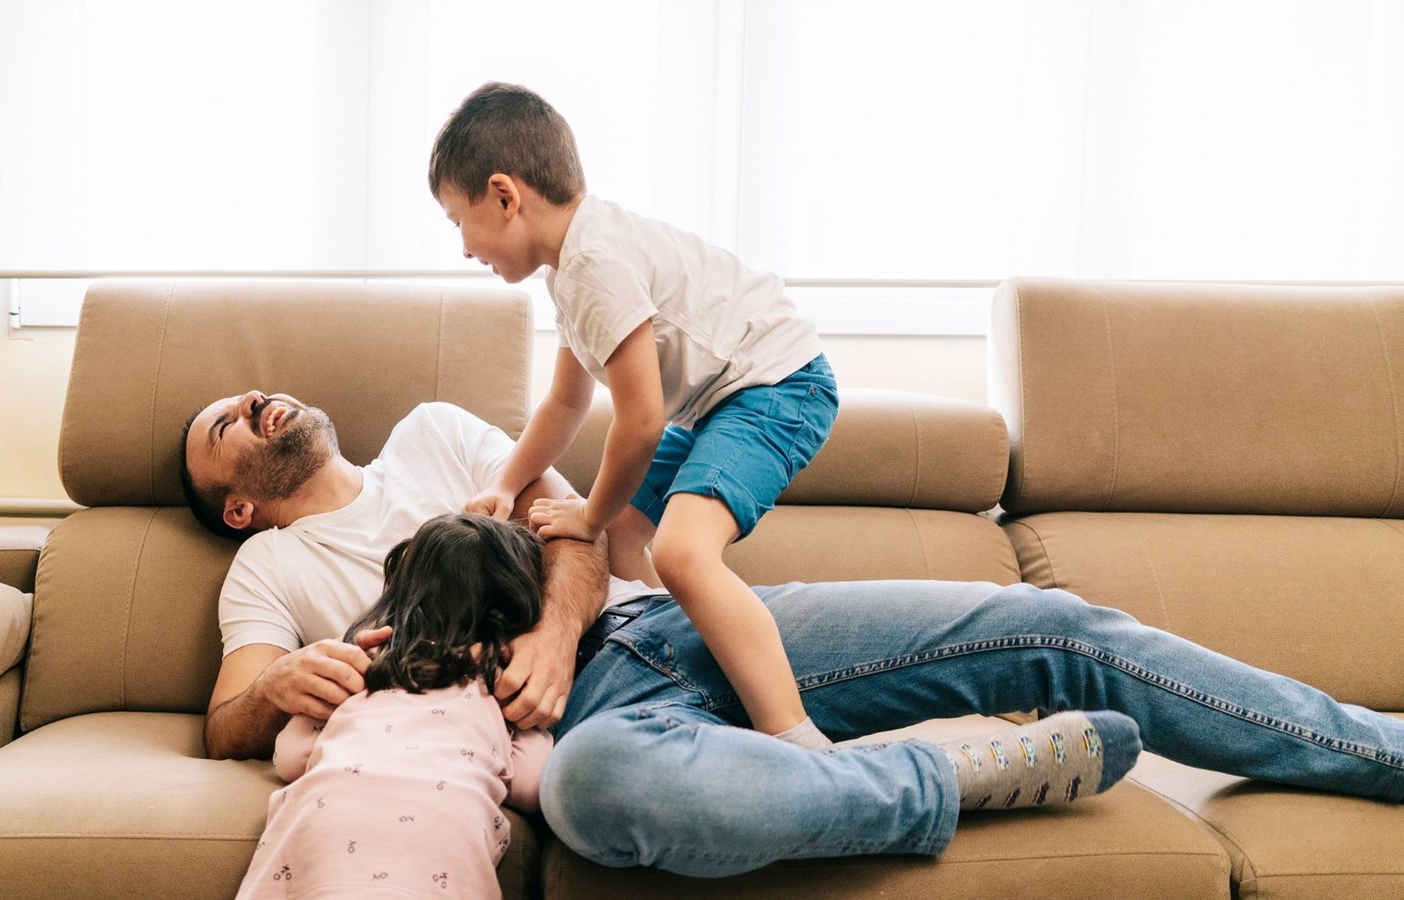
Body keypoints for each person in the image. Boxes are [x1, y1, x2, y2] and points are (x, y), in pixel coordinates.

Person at [184, 391, 1404, 877]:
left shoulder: (440, 437)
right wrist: (282, 683)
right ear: (236, 499)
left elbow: (577, 534)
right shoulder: (269, 567)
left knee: (1055, 627)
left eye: (252, 393)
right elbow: (229, 715)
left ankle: (1381, 753)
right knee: (601, 798)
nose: (254, 400)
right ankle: (947, 772)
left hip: (664, 635)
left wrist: (558, 636)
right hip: (592, 741)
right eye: (222, 427)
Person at [433, 82, 838, 747]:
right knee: (624, 534)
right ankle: (677, 664)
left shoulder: (594, 263)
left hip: (778, 384)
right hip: (723, 397)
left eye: (458, 221)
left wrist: (586, 513)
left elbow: (643, 420)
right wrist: (507, 484)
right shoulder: (572, 271)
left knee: (678, 549)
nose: (464, 248)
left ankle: (794, 735)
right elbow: (567, 401)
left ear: (505, 197)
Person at [237, 512, 553, 900]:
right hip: (438, 835)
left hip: (324, 824)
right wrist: (529, 727)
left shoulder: (361, 670)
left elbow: (289, 757)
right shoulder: (496, 686)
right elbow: (531, 785)